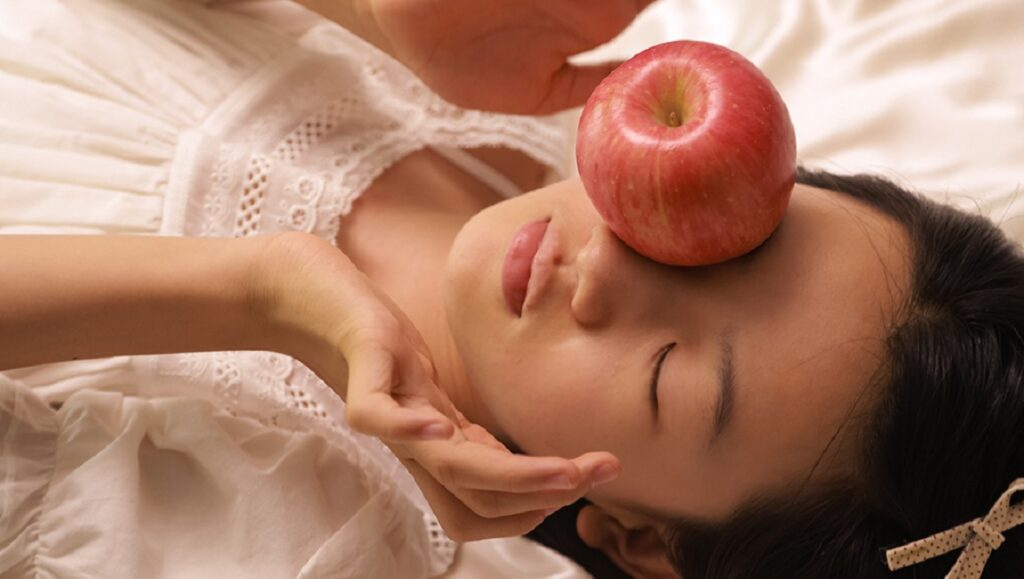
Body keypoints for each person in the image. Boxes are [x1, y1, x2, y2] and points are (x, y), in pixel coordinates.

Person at [1, 2, 1021, 579]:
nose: (612, 265)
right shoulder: (508, 128)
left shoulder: (310, 534)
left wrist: (262, 296)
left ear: (642, 538)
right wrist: (375, 15)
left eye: (666, 369)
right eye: (726, 238)